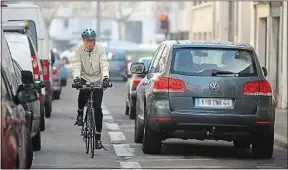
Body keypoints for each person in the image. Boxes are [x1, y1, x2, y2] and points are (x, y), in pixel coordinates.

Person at [71, 28, 110, 149]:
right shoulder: (78, 49)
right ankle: (80, 112)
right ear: (83, 40)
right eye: (87, 41)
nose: (90, 43)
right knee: (82, 93)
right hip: (84, 77)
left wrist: (105, 79)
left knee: (97, 109)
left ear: (95, 41)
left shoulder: (100, 49)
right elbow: (76, 64)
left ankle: (98, 138)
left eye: (92, 41)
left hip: (98, 79)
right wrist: (77, 79)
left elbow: (104, 64)